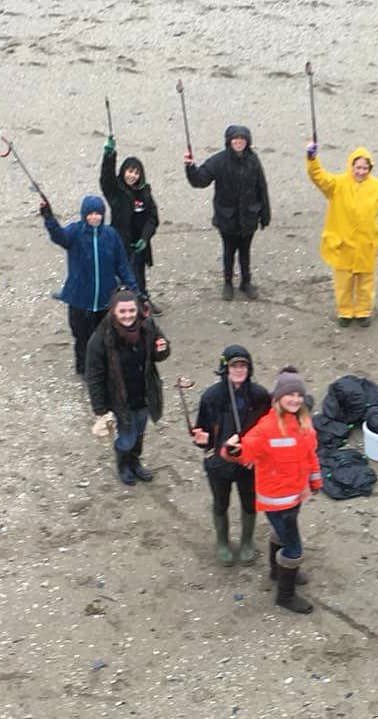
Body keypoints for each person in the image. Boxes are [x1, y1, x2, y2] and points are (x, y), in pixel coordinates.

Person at [222, 367, 322, 614]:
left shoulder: (304, 424)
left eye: (299, 395)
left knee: (283, 534)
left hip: (295, 496)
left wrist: (315, 480)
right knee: (294, 549)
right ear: (278, 397)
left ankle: (277, 572)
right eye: (290, 394)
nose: (295, 399)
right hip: (277, 501)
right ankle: (285, 596)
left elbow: (310, 455)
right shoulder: (266, 427)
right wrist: (231, 450)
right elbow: (244, 450)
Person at [306, 143, 378, 327]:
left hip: (366, 243)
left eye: (365, 168)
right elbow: (319, 177)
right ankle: (345, 312)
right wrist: (312, 159)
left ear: (370, 168)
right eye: (358, 167)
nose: (361, 171)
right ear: (351, 166)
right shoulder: (337, 184)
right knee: (343, 282)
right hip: (342, 243)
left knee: (366, 281)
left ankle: (363, 311)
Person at [191, 346, 271, 566]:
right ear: (225, 368)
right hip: (219, 464)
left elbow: (267, 429)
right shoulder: (211, 397)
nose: (238, 370)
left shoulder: (260, 395)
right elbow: (202, 429)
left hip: (248, 463)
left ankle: (247, 542)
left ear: (249, 367)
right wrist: (200, 439)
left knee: (249, 503)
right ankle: (222, 542)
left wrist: (258, 455)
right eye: (234, 365)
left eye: (243, 365)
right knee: (220, 503)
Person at [40, 195, 137, 375]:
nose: (94, 217)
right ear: (84, 215)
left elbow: (122, 265)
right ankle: (83, 368)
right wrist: (49, 218)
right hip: (79, 299)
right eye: (90, 214)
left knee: (105, 337)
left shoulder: (111, 235)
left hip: (105, 300)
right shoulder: (74, 232)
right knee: (81, 336)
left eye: (98, 213)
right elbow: (58, 237)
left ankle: (101, 367)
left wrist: (134, 290)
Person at [85, 288, 170, 485]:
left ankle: (135, 462)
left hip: (144, 394)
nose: (128, 315)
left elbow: (159, 354)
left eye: (131, 310)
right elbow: (94, 377)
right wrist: (100, 410)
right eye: (122, 311)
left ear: (138, 309)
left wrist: (163, 349)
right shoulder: (100, 339)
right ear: (113, 311)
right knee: (126, 438)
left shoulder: (148, 326)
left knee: (139, 433)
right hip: (118, 400)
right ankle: (123, 464)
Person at [184, 125, 270, 301]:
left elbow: (262, 187)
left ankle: (246, 282)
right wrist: (190, 167)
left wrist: (265, 214)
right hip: (227, 218)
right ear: (229, 141)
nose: (239, 142)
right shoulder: (219, 161)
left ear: (247, 142)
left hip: (248, 216)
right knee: (229, 252)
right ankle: (228, 283)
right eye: (235, 139)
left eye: (242, 139)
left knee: (245, 252)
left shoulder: (254, 161)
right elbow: (200, 180)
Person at [100, 136, 161, 314]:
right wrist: (109, 155)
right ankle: (118, 305)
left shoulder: (145, 192)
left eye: (136, 172)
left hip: (139, 244)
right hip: (119, 242)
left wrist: (144, 238)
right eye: (129, 171)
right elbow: (106, 178)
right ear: (123, 171)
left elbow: (153, 218)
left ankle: (142, 300)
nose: (132, 176)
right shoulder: (115, 191)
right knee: (121, 276)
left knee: (139, 274)